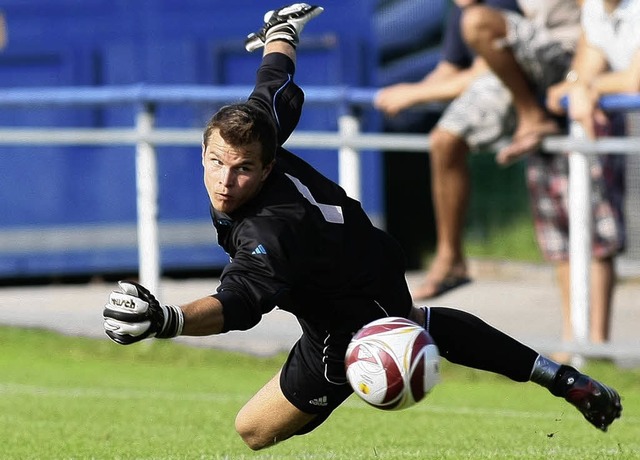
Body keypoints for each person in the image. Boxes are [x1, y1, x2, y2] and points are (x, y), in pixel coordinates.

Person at [102, 4, 621, 451]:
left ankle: (388, 349)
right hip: (364, 254)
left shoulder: (271, 229)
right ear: (205, 148)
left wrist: (166, 320)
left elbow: (237, 305)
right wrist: (282, 32)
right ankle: (559, 376)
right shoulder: (258, 129)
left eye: (242, 170)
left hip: (347, 317)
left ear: (266, 166)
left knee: (254, 431)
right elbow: (274, 83)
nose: (226, 180)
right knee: (415, 318)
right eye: (216, 162)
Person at [463, 0, 630, 351]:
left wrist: (588, 88)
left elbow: (631, 81)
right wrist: (579, 86)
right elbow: (581, 74)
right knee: (562, 236)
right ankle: (574, 340)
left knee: (598, 236)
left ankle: (597, 343)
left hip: (594, 122)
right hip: (568, 118)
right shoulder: (599, 13)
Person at [375, 0, 522, 300]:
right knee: (441, 142)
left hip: (532, 100)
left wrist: (414, 94)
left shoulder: (499, 6)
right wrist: (407, 95)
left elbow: (485, 72)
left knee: (444, 140)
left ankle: (450, 256)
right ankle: (448, 256)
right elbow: (448, 69)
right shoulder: (460, 10)